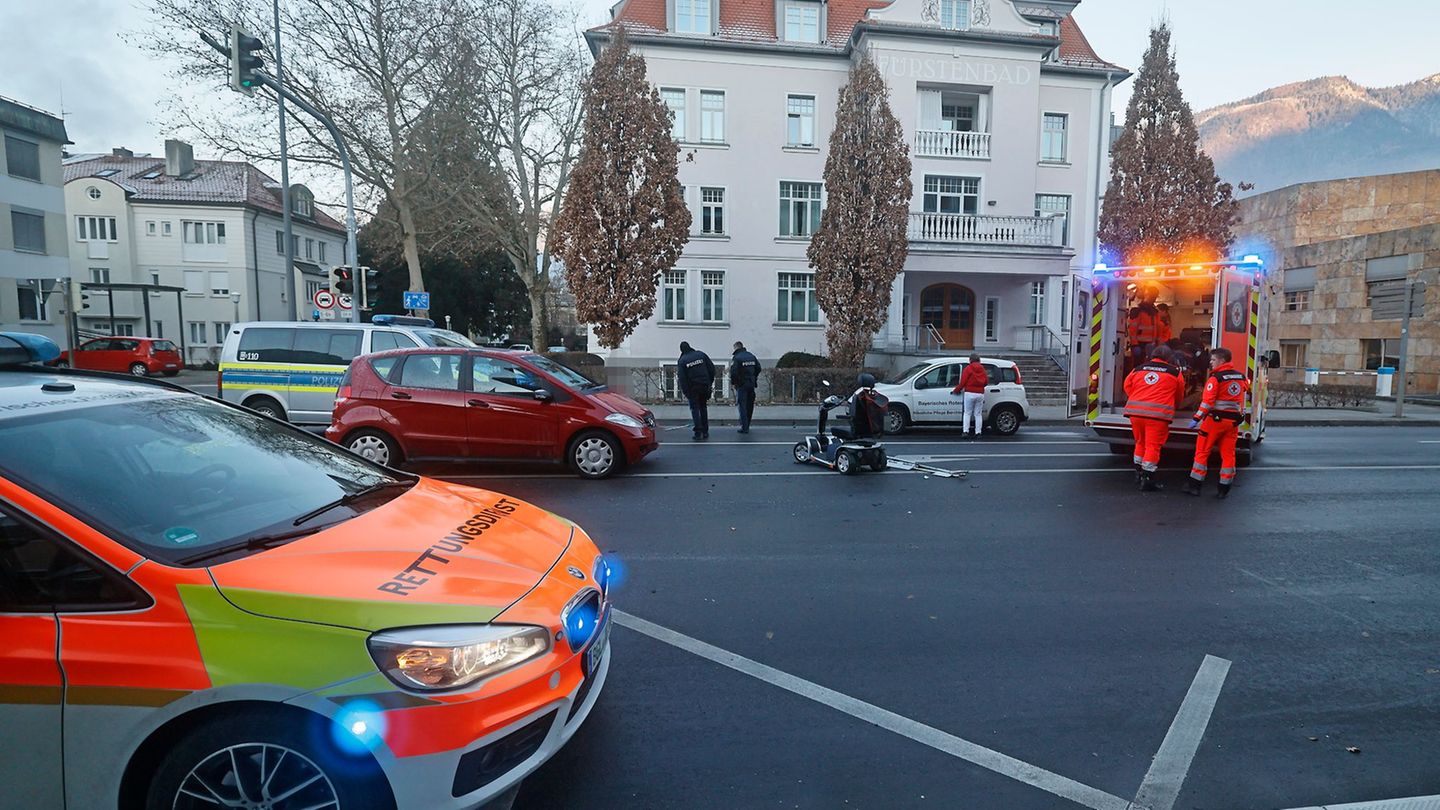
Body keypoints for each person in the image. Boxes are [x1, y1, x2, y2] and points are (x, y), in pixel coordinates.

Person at [1183, 347, 1249, 499]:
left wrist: (1196, 419)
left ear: (1222, 360)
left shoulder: (1215, 378)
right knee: (1228, 455)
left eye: (1213, 360)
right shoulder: (1241, 377)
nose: (1211, 363)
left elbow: (1207, 402)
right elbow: (1244, 391)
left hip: (1214, 421)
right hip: (1232, 422)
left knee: (1202, 452)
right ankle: (1223, 488)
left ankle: (1195, 486)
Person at [1123, 343, 1185, 491]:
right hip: (1157, 415)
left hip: (1135, 413)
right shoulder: (1175, 372)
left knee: (1140, 442)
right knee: (1153, 446)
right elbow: (1179, 395)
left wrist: (1139, 397)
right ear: (1169, 357)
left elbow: (1127, 386)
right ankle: (1148, 479)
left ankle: (1138, 473)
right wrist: (1172, 404)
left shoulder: (1138, 369)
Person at [677, 341, 716, 440]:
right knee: (703, 407)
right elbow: (712, 369)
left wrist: (686, 392)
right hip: (704, 386)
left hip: (693, 388)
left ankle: (698, 432)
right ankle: (705, 431)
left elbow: (682, 379)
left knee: (695, 409)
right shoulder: (701, 355)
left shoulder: (682, 361)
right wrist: (709, 383)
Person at [950, 353, 988, 439]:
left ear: (970, 360)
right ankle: (978, 432)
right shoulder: (982, 369)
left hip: (969, 393)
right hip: (980, 393)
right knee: (978, 414)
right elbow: (986, 381)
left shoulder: (968, 368)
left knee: (967, 413)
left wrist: (956, 390)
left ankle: (965, 431)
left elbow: (962, 382)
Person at [729, 341, 761, 434]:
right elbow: (758, 368)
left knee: (742, 405)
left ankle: (744, 427)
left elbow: (734, 373)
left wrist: (734, 383)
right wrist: (753, 377)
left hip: (742, 385)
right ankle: (748, 423)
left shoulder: (737, 358)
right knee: (749, 405)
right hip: (751, 384)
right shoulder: (751, 356)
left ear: (736, 348)